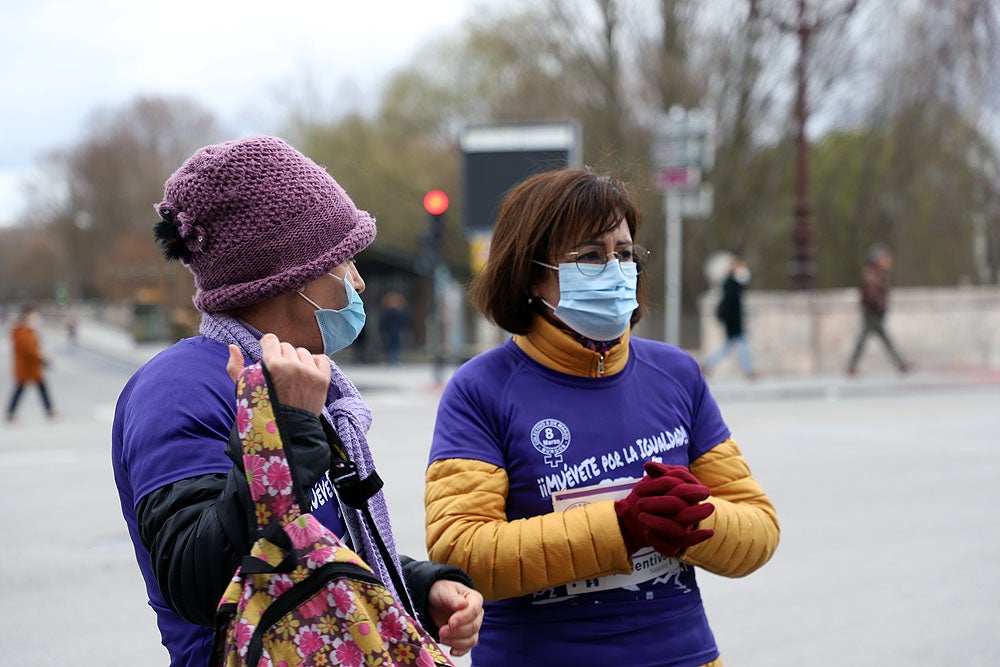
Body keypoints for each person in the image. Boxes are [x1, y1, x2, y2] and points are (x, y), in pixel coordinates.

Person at [111, 135, 483, 667]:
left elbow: (314, 542)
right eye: (344, 261)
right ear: (290, 277)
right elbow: (195, 580)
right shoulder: (180, 387)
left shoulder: (301, 376)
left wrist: (417, 587)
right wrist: (283, 428)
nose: (357, 280)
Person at [424, 167, 780, 667]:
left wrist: (694, 520)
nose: (615, 269)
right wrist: (623, 526)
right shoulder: (480, 389)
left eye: (625, 254)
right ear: (530, 274)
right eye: (590, 255)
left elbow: (760, 529)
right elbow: (462, 552)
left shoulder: (676, 373)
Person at [847, 243, 910, 375]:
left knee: (869, 340)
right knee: (878, 340)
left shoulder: (876, 275)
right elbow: (872, 295)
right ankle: (900, 363)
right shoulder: (870, 275)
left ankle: (853, 365)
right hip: (872, 313)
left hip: (875, 312)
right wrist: (880, 305)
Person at [701, 256, 756, 379]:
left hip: (733, 323)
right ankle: (748, 371)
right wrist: (734, 322)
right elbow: (731, 306)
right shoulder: (732, 285)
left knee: (728, 347)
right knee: (740, 345)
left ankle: (708, 365)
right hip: (733, 323)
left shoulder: (733, 285)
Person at [6, 304, 56, 422]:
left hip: (31, 367)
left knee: (36, 387)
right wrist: (42, 359)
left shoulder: (28, 331)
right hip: (26, 367)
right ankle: (11, 412)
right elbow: (29, 350)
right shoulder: (23, 331)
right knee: (24, 388)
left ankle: (48, 410)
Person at [379, 291, 408, 365]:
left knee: (393, 345)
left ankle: (393, 359)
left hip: (393, 332)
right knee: (393, 345)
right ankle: (392, 360)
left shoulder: (389, 313)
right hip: (393, 332)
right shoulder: (392, 313)